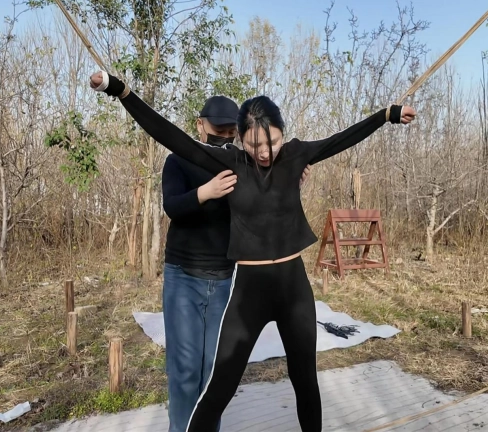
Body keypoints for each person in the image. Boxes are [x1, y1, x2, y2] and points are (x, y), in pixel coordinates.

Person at [90, 70, 416, 432]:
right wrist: (121, 91)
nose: (263, 152)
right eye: (253, 144)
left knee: (305, 379)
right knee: (220, 386)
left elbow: (344, 137)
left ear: (282, 133)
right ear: (241, 139)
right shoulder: (230, 162)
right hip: (247, 292)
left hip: (294, 289)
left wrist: (387, 115)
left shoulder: (296, 155)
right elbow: (171, 137)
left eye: (271, 142)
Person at [161, 95, 310, 432]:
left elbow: (267, 204)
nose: (224, 137)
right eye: (219, 131)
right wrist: (206, 192)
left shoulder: (243, 163)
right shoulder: (179, 160)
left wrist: (290, 181)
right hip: (184, 275)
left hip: (226, 278)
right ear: (200, 125)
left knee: (214, 372)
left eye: (231, 132)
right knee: (185, 370)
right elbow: (172, 207)